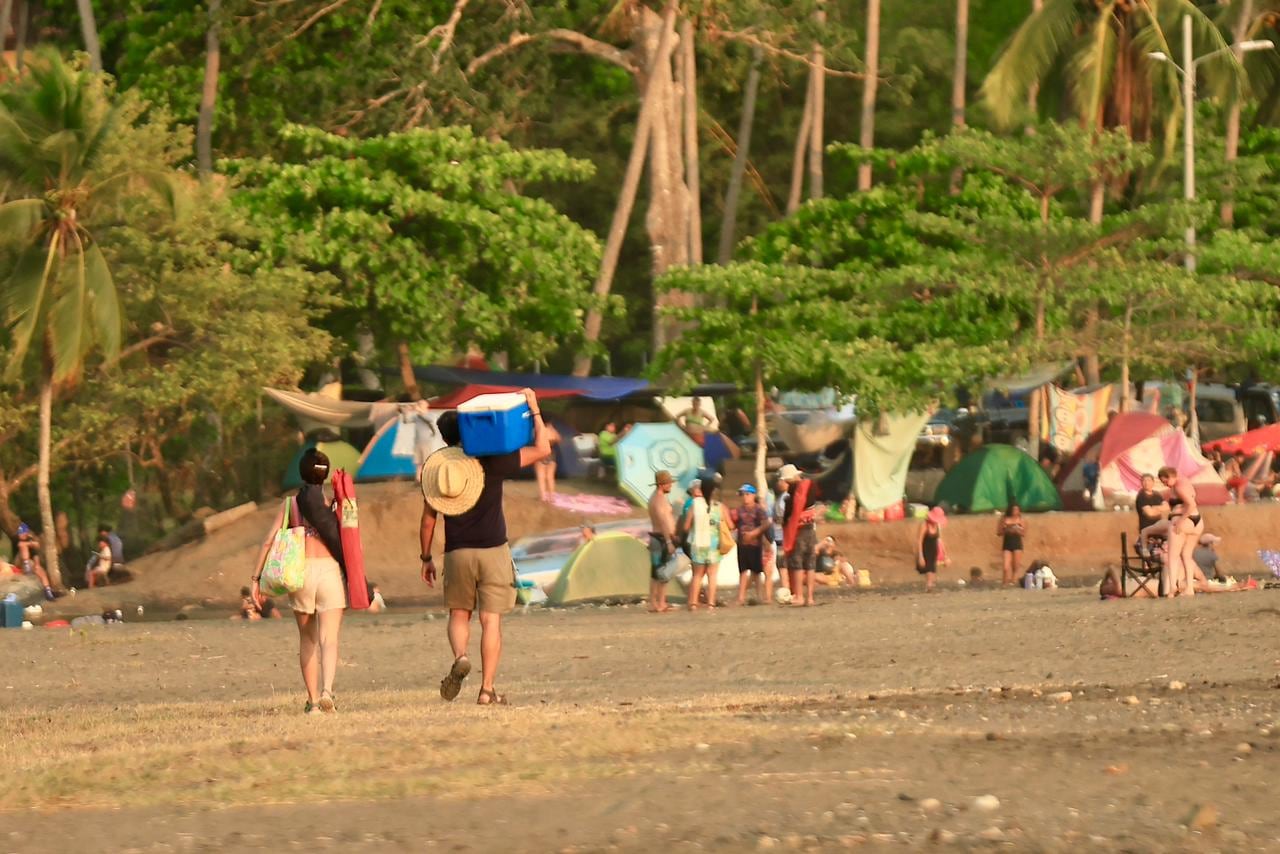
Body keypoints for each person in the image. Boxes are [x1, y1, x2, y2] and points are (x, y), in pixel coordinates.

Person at [420, 388, 551, 706]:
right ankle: (486, 690)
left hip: (457, 552)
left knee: (459, 613)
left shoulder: (439, 471)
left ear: (444, 437)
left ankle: (461, 656)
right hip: (493, 549)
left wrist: (426, 557)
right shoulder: (496, 460)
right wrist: (534, 409)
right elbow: (543, 448)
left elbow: (427, 522)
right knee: (491, 620)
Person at [252, 448, 347, 714]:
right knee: (329, 638)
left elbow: (268, 541)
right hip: (329, 572)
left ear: (302, 473)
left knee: (308, 639)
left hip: (300, 573)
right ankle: (328, 690)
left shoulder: (290, 505)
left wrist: (256, 579)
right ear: (325, 475)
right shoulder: (335, 503)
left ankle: (313, 702)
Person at [683, 479, 729, 609]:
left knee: (697, 575)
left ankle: (693, 603)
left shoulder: (694, 505)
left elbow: (686, 527)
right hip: (714, 545)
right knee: (712, 575)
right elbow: (730, 525)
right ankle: (711, 603)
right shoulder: (719, 506)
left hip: (698, 544)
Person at [779, 464, 821, 606]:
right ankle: (810, 597)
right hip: (811, 530)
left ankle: (799, 596)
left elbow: (787, 518)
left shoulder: (791, 496)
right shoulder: (811, 488)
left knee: (797, 564)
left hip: (798, 532)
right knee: (810, 564)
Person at [1159, 465, 1203, 598]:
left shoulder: (1178, 486)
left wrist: (1180, 521)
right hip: (1197, 522)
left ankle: (1172, 588)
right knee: (1187, 555)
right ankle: (1189, 588)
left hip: (1183, 521)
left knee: (1173, 556)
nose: (1166, 484)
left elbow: (1191, 504)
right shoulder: (1185, 481)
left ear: (1170, 476)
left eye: (1165, 481)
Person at [732, 484, 769, 606]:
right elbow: (734, 524)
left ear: (753, 495)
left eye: (747, 494)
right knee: (743, 571)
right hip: (742, 544)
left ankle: (759, 595)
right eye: (743, 495)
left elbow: (765, 524)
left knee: (756, 571)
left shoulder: (758, 509)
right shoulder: (739, 510)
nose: (745, 497)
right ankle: (741, 597)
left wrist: (754, 533)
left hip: (755, 544)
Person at [647, 470, 678, 613]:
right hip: (661, 539)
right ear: (661, 485)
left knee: (655, 573)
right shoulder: (659, 500)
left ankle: (655, 603)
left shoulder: (653, 498)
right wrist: (669, 541)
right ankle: (660, 603)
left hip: (657, 538)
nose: (671, 485)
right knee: (662, 573)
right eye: (669, 483)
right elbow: (663, 522)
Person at [15, 523, 55, 601]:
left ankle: (48, 591)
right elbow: (20, 545)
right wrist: (30, 544)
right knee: (23, 547)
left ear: (25, 533)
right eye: (19, 533)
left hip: (31, 562)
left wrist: (37, 565)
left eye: (21, 533)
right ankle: (26, 566)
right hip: (20, 561)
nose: (19, 535)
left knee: (41, 571)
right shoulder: (19, 541)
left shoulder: (31, 539)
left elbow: (36, 550)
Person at [1135, 473, 1170, 554]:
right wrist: (1160, 508)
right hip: (1146, 528)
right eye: (1144, 481)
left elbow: (1167, 508)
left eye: (1149, 480)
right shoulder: (1141, 496)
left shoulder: (1157, 495)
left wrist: (1154, 508)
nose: (1146, 483)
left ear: (1153, 482)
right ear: (1141, 483)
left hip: (1159, 528)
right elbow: (1150, 514)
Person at [916, 506, 949, 592]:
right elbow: (919, 541)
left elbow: (940, 540)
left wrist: (946, 555)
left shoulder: (938, 526)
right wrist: (920, 556)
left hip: (934, 550)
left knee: (933, 569)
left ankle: (930, 586)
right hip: (925, 549)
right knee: (929, 569)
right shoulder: (924, 525)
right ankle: (929, 586)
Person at [996, 504, 1026, 587]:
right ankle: (1004, 582)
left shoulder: (1021, 519)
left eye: (1017, 510)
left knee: (1015, 566)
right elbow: (999, 532)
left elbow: (1024, 533)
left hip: (1017, 544)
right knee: (1005, 566)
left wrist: (1017, 531)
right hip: (1007, 544)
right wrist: (1007, 530)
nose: (1015, 511)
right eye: (1014, 510)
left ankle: (1013, 581)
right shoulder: (1004, 519)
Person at [536, 422, 561, 501]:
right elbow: (559, 439)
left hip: (541, 454)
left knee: (541, 477)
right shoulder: (552, 431)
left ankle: (543, 496)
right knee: (550, 477)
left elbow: (538, 442)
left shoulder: (540, 430)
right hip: (551, 454)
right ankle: (551, 496)